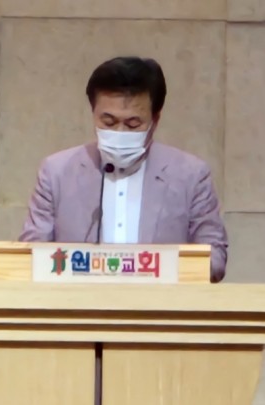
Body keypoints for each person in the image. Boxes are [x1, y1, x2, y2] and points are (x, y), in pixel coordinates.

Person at [19, 56, 228, 282]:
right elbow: (30, 255)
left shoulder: (191, 175)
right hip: (78, 301)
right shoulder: (56, 172)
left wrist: (164, 270)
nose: (119, 132)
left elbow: (214, 258)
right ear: (93, 113)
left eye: (133, 124)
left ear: (155, 120)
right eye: (108, 122)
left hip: (159, 302)